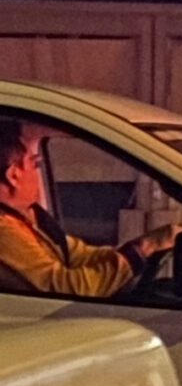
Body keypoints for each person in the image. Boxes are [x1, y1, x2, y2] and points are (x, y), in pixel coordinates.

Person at [0, 118, 149, 301]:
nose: (36, 172)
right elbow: (67, 289)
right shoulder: (4, 231)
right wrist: (140, 253)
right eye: (33, 163)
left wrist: (137, 252)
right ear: (13, 175)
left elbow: (76, 254)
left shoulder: (29, 216)